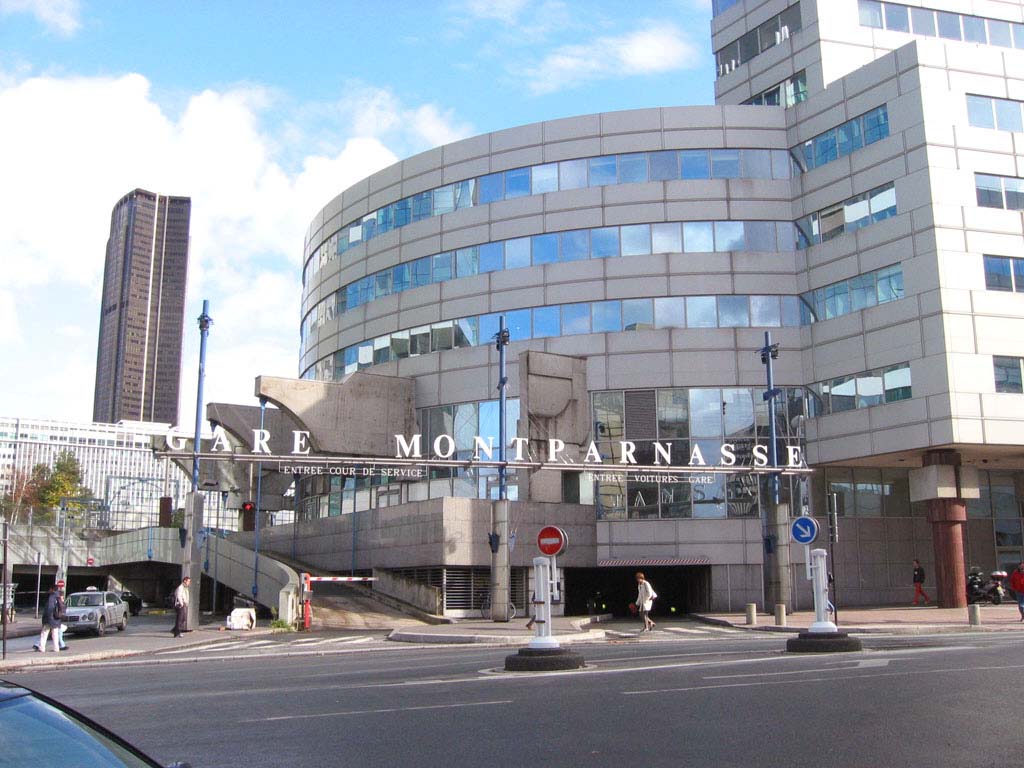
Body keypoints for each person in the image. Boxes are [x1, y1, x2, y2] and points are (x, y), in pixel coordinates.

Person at [36, 585, 62, 653]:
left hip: (50, 618)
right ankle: (56, 648)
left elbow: (49, 608)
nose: (49, 590)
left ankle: (41, 648)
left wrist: (45, 618)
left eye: (50, 589)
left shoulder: (51, 597)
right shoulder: (59, 596)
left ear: (52, 589)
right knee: (55, 634)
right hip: (56, 618)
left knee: (44, 633)